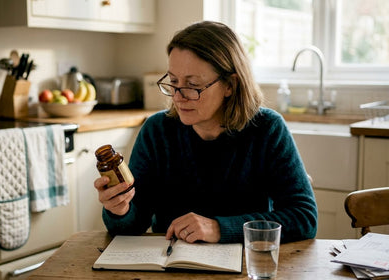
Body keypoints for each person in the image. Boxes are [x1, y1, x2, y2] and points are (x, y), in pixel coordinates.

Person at [95, 20, 317, 244]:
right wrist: (118, 210)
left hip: (244, 270)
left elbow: (304, 218)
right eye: (173, 81)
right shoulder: (157, 131)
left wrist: (220, 229)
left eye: (192, 85)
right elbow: (133, 224)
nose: (178, 96)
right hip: (169, 267)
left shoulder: (267, 129)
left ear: (230, 85)